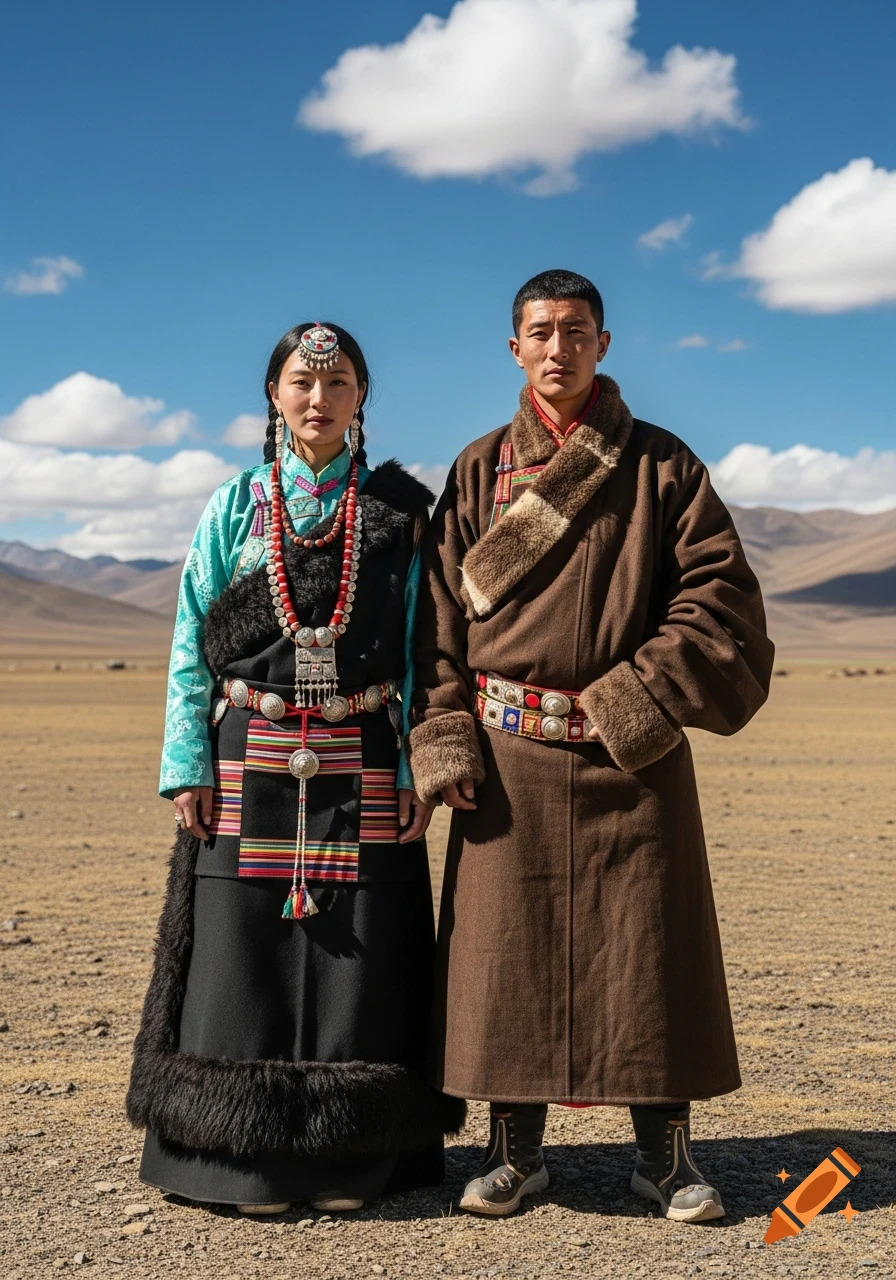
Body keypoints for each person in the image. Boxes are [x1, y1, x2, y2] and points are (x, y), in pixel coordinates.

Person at [409, 270, 774, 1223]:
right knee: (505, 963)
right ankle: (513, 1156)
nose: (559, 346)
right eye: (541, 331)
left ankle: (667, 1158)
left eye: (577, 330)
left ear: (604, 345)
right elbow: (438, 621)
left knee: (648, 955)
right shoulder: (479, 468)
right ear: (515, 347)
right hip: (508, 759)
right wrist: (446, 735)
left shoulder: (664, 467)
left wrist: (635, 697)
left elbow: (719, 602)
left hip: (633, 759)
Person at [127, 321, 465, 1215]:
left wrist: (414, 772)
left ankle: (356, 1158)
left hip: (364, 755)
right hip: (247, 754)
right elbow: (189, 646)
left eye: (339, 382)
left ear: (361, 400)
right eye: (301, 383)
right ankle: (239, 1162)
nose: (319, 399)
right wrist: (186, 763)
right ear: (274, 396)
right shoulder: (234, 504)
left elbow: (420, 649)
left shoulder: (396, 513)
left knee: (361, 960)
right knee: (243, 955)